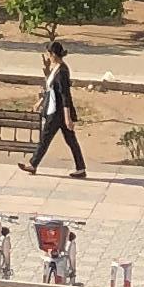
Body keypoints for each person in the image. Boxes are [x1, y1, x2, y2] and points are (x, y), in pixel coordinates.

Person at [26, 36, 86, 180]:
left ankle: (33, 165)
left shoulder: (62, 72)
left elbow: (65, 95)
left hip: (58, 113)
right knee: (71, 141)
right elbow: (50, 90)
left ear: (53, 54)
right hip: (56, 110)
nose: (48, 57)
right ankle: (81, 168)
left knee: (45, 138)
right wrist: (40, 101)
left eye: (49, 54)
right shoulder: (56, 69)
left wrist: (67, 117)